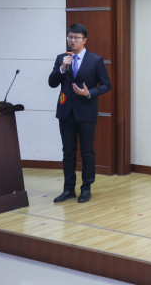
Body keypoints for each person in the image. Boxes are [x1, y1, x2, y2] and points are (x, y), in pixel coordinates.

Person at [48, 23, 111, 203]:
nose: (72, 40)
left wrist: (89, 93)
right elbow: (52, 83)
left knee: (87, 152)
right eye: (70, 37)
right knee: (68, 152)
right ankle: (68, 189)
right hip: (66, 112)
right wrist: (62, 68)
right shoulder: (62, 58)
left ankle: (86, 188)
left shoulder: (95, 60)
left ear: (84, 40)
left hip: (86, 112)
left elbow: (106, 85)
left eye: (76, 38)